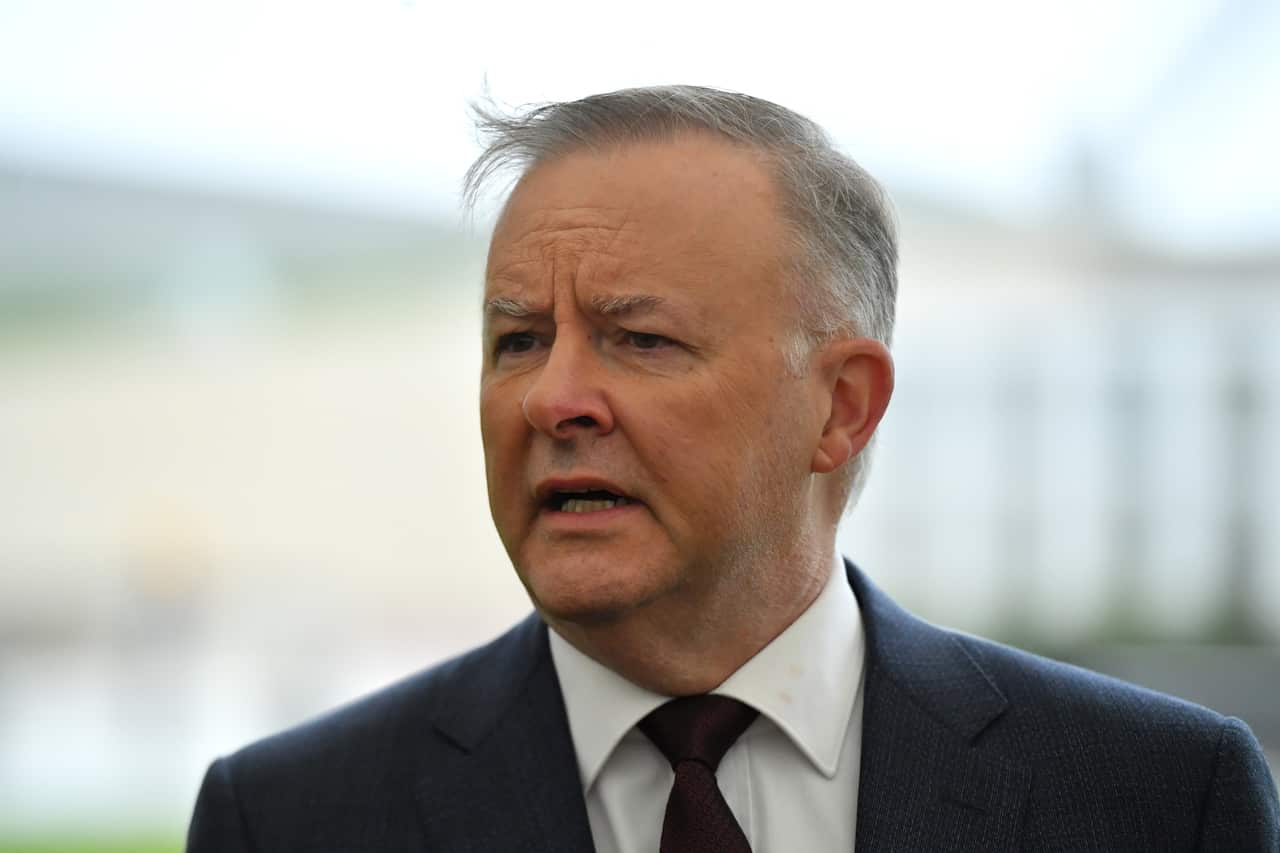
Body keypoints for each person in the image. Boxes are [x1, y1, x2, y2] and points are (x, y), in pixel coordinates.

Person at [187, 85, 1279, 852]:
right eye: (516, 339)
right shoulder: (288, 818)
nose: (551, 399)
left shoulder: (1158, 799)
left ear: (839, 407)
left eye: (638, 338)